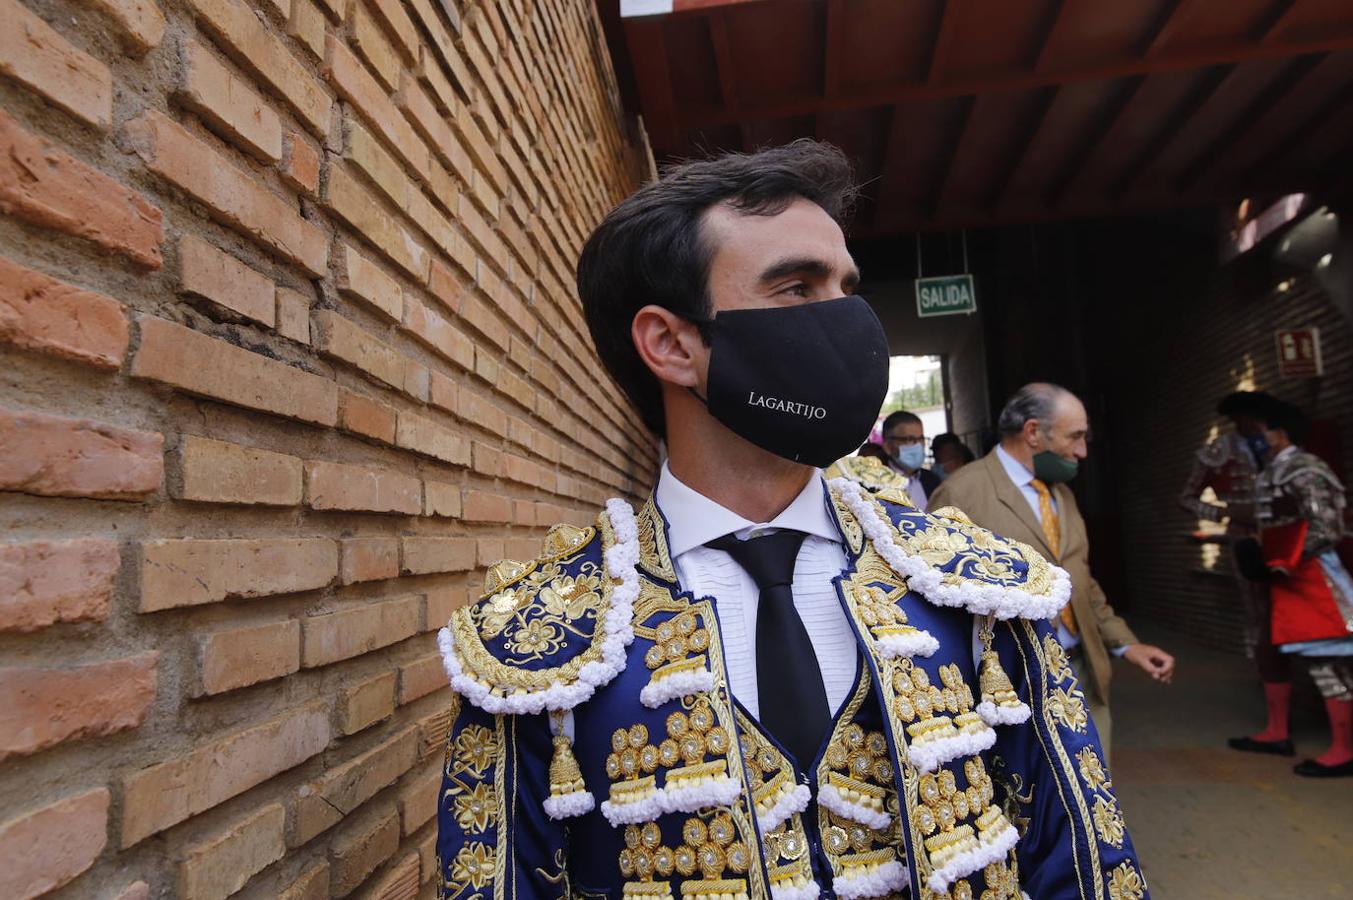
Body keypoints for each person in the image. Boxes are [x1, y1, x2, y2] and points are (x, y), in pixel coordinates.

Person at [436, 143, 1147, 898]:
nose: (848, 320)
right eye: (798, 289)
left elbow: (1079, 861)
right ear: (671, 344)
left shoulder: (975, 587)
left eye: (846, 286)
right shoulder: (537, 643)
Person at [929, 382, 1176, 755]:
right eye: (1074, 436)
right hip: (1016, 685)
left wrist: (1127, 644)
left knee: (1094, 797)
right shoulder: (961, 494)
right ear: (1033, 433)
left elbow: (1081, 579)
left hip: (1083, 676)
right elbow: (935, 598)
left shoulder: (1060, 493)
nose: (1082, 450)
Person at [1178, 391, 1297, 757]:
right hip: (1247, 543)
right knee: (1261, 618)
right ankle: (1276, 700)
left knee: (1293, 616)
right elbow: (1187, 497)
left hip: (1288, 540)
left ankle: (1291, 696)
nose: (1252, 424)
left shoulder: (1283, 449)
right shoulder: (1219, 451)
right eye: (1245, 418)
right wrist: (1228, 514)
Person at [1240, 399, 1353, 777]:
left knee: (1327, 659)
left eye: (1263, 432)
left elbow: (1327, 528)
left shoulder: (1305, 468)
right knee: (1274, 651)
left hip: (1311, 576)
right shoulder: (1280, 469)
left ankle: (1344, 750)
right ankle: (1278, 732)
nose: (1258, 438)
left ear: (1280, 433)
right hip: (1288, 579)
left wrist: (1283, 560)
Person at [880, 409, 940, 509]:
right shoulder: (873, 483)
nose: (917, 445)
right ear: (888, 447)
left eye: (920, 439)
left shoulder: (932, 480)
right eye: (909, 440)